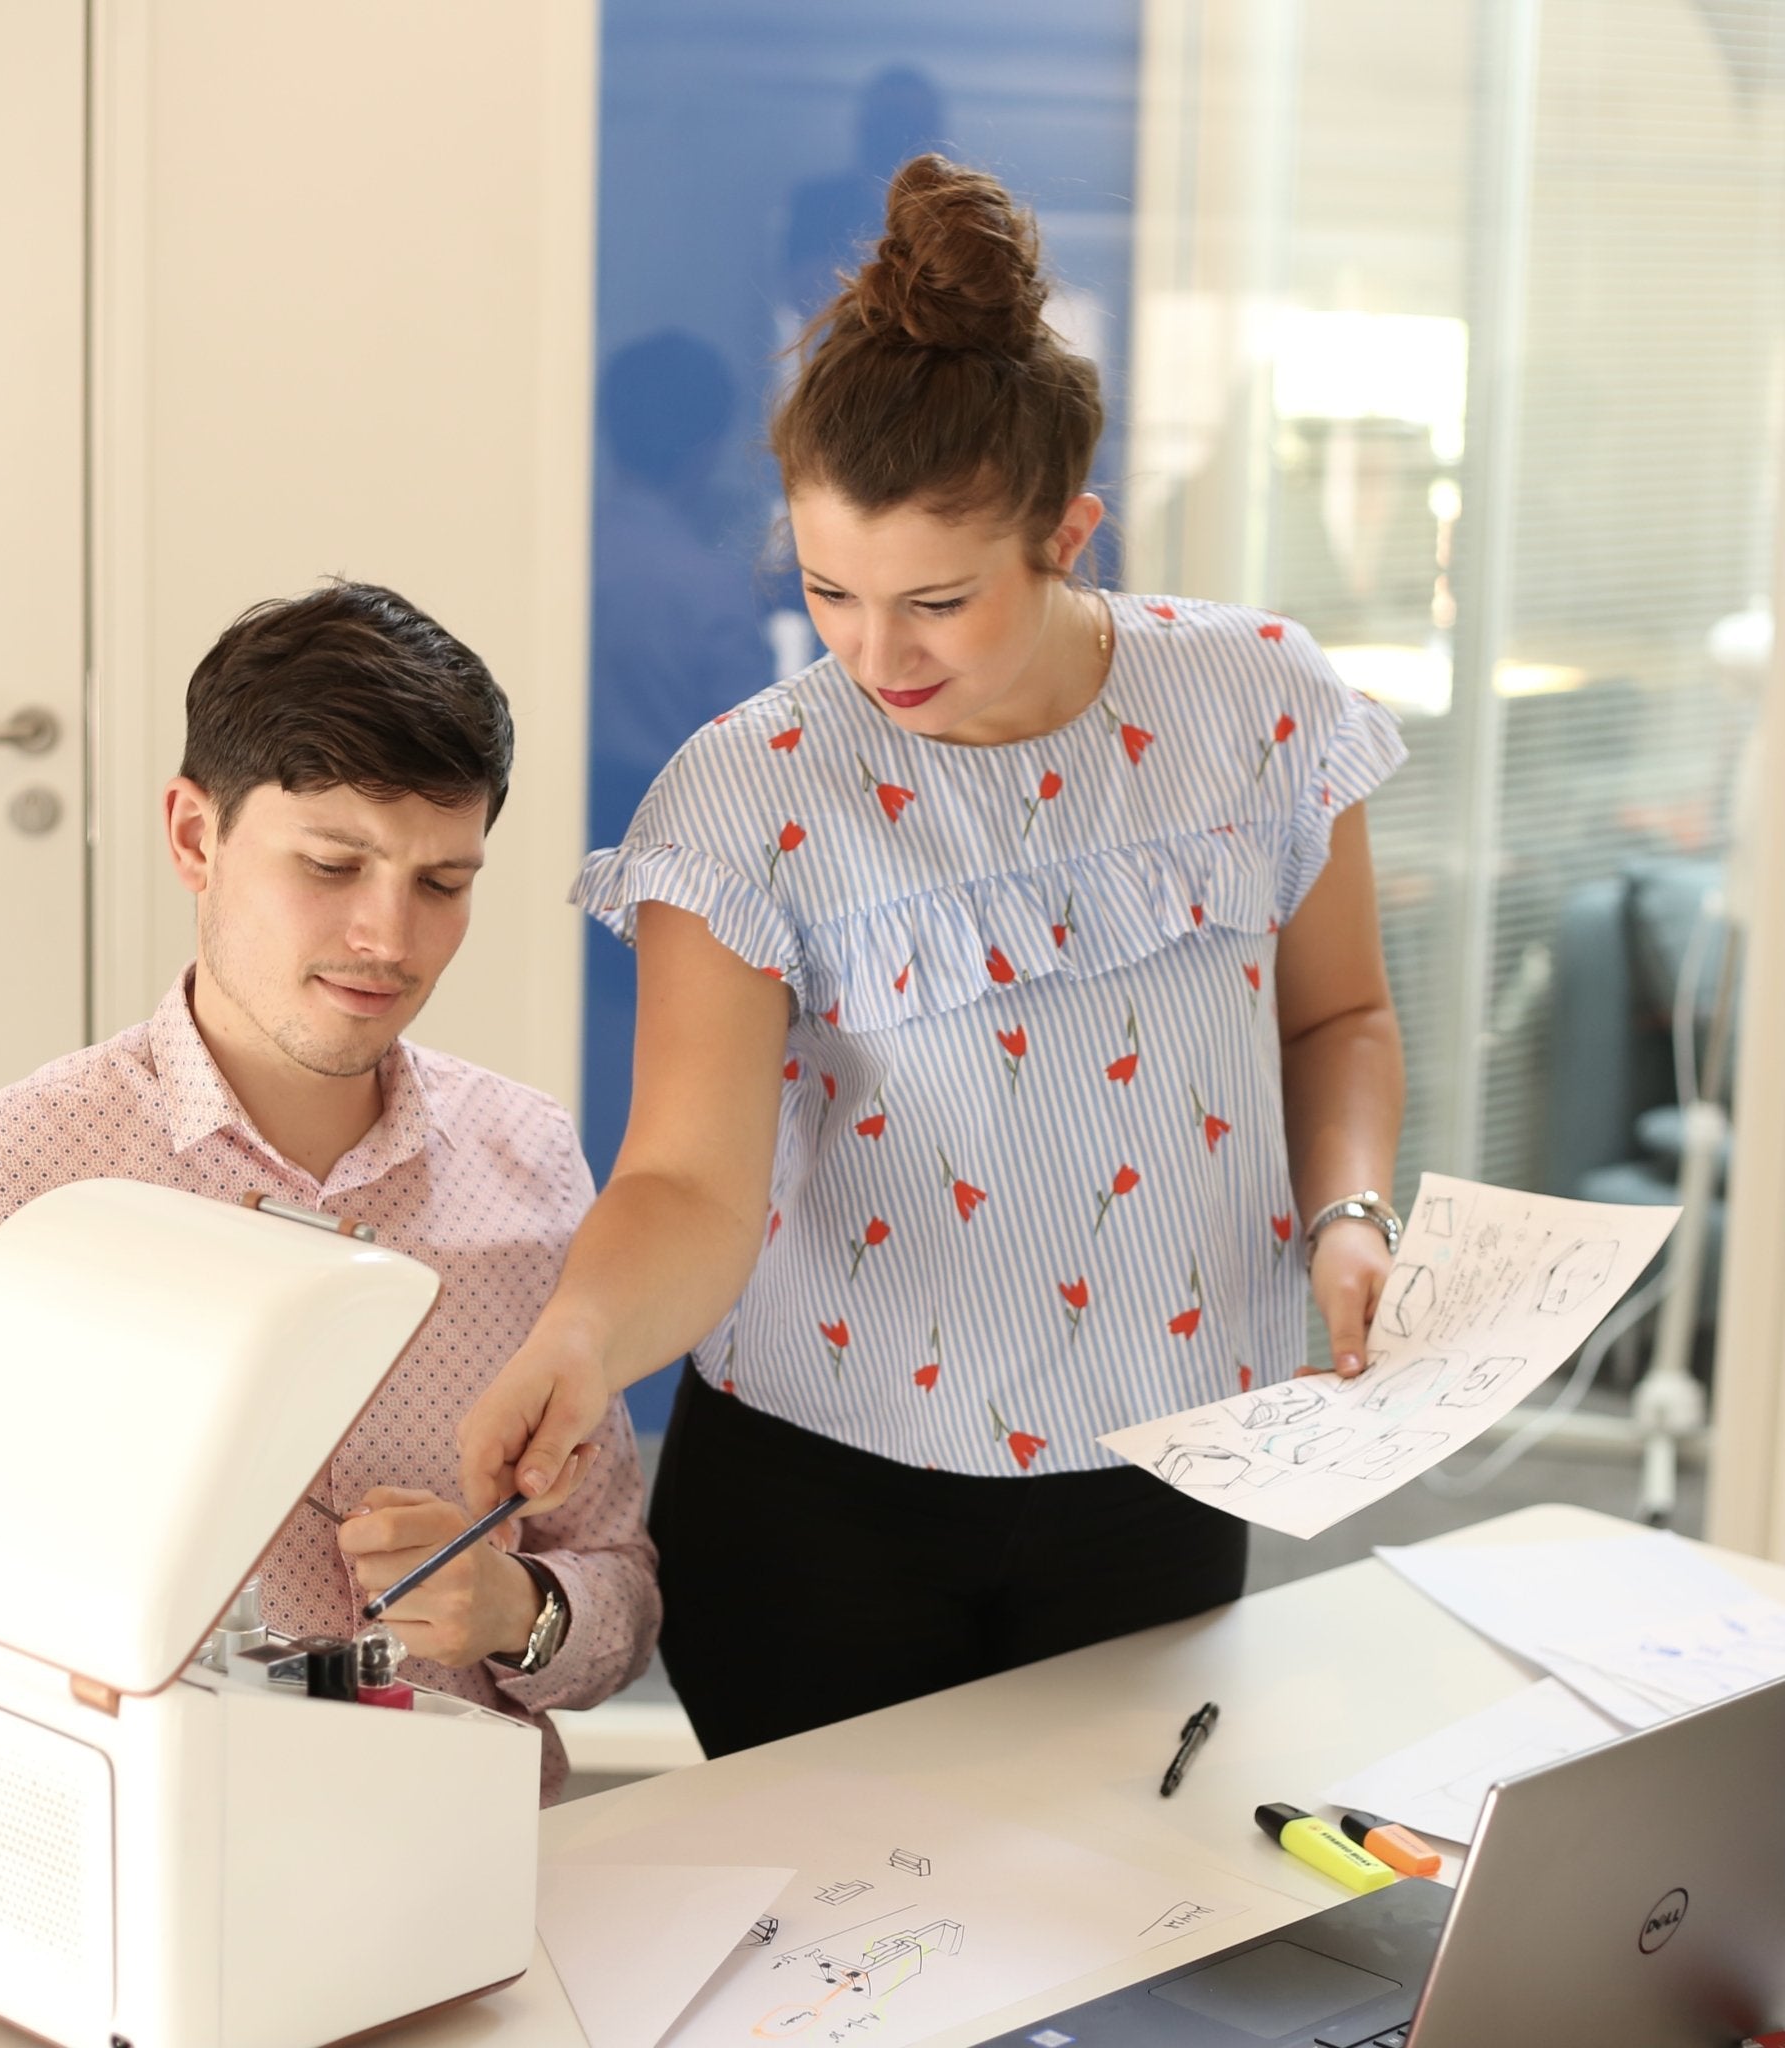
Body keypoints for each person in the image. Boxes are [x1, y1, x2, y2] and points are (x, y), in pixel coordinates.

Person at [458, 157, 1407, 1758]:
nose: (874, 652)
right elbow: (688, 1183)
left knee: (1124, 1890)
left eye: (937, 602)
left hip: (1170, 1460)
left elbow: (1341, 1019)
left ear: (1068, 535)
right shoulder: (748, 793)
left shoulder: (1260, 705)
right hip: (825, 1499)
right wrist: (577, 1341)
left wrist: (1350, 1215)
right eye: (827, 589)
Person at [0, 581, 660, 1805]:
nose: (390, 937)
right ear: (195, 836)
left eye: (442, 883)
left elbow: (617, 1589)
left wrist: (522, 1610)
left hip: (474, 1859)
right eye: (332, 864)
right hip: (131, 1866)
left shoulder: (528, 1154)